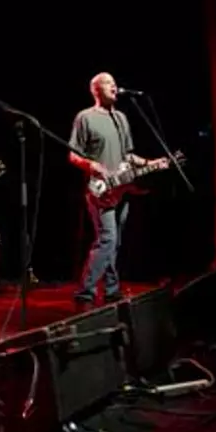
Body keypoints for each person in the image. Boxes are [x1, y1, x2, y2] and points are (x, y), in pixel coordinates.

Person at [68, 72, 165, 310]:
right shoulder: (85, 117)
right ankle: (85, 292)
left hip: (122, 188)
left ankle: (111, 291)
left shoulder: (121, 118)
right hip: (99, 189)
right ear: (96, 90)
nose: (114, 86)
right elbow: (73, 155)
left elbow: (128, 156)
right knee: (107, 240)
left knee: (116, 241)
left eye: (114, 83)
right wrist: (91, 165)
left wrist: (151, 163)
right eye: (108, 83)